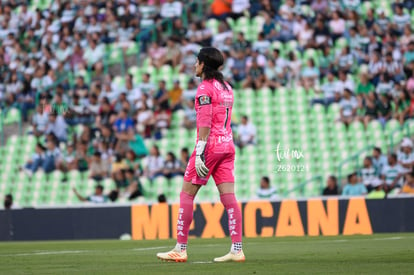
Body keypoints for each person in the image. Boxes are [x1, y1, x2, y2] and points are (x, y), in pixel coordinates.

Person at [157, 47, 244, 263]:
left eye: (196, 61)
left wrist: (200, 152)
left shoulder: (205, 88)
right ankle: (237, 248)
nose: (194, 65)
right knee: (229, 198)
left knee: (187, 194)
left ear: (204, 64)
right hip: (227, 145)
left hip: (210, 146)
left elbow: (204, 121)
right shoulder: (227, 88)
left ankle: (181, 248)